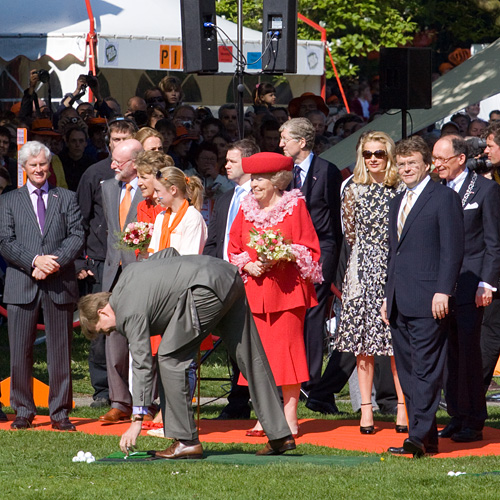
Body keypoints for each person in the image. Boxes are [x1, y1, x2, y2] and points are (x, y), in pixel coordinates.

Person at [78, 249, 296, 459]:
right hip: (228, 275)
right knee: (250, 356)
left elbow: (142, 364)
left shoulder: (126, 312)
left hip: (205, 288)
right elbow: (169, 254)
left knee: (169, 357)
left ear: (102, 311)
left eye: (106, 329)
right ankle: (280, 435)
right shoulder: (129, 274)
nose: (113, 332)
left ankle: (186, 442)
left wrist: (137, 421)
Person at [228, 152, 322, 437]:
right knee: (259, 357)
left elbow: (310, 249)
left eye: (259, 179)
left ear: (276, 180)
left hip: (288, 292)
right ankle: (264, 416)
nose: (253, 184)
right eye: (252, 178)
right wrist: (250, 263)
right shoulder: (246, 208)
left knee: (288, 355)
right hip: (255, 292)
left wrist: (283, 252)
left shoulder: (295, 207)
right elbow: (233, 248)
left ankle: (290, 416)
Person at [382, 136, 464, 457]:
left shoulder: (443, 198)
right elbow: (394, 254)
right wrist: (386, 298)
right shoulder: (395, 201)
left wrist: (443, 290)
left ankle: (415, 437)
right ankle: (427, 439)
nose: (405, 169)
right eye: (401, 164)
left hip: (431, 299)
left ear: (427, 166)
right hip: (399, 301)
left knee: (426, 370)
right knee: (407, 372)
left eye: (412, 163)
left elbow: (453, 250)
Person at [0, 141, 84, 431]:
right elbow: (4, 242)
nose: (39, 169)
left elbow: (76, 236)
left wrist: (53, 263)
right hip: (21, 282)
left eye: (43, 165)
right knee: (20, 350)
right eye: (33, 165)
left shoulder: (67, 198)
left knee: (60, 350)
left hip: (59, 282)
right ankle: (23, 410)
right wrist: (34, 261)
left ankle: (60, 412)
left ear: (50, 167)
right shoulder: (8, 200)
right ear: (23, 168)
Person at [332, 132, 407, 434]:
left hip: (395, 269)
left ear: (389, 156)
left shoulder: (401, 188)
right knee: (363, 345)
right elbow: (349, 234)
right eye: (367, 154)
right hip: (361, 271)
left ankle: (403, 407)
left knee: (396, 346)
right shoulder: (352, 189)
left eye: (379, 153)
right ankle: (366, 410)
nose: (373, 158)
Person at [433, 135, 500, 443]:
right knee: (449, 353)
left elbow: (493, 243)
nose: (436, 165)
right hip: (442, 285)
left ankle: (474, 418)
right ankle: (457, 415)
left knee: (470, 353)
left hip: (473, 284)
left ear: (460, 158)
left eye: (441, 159)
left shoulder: (486, 191)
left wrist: (487, 283)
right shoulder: (435, 191)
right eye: (434, 159)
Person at [76, 118, 137, 408]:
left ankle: (137, 394)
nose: (118, 143)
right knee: (105, 327)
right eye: (114, 139)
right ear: (107, 141)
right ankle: (104, 391)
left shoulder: (147, 179)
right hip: (102, 262)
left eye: (124, 138)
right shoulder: (96, 174)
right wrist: (80, 259)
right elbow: (80, 219)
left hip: (136, 263)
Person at [279, 117, 343, 392]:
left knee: (315, 312)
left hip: (319, 253)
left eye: (285, 138)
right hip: (288, 253)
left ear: (302, 142)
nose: (280, 143)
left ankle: (311, 381)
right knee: (292, 314)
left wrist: (328, 260)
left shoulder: (327, 171)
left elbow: (333, 220)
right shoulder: (283, 171)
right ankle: (290, 374)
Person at [203, 139, 260, 420]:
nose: (225, 165)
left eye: (232, 160)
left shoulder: (262, 196)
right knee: (232, 343)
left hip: (253, 278)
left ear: (248, 163)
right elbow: (214, 240)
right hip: (224, 279)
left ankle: (252, 399)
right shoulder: (225, 198)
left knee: (253, 343)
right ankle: (238, 401)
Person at [99, 138, 145, 422]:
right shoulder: (108, 188)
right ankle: (119, 401)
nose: (113, 164)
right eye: (112, 158)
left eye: (120, 161)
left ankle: (144, 400)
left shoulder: (152, 188)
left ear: (136, 163)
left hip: (140, 271)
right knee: (112, 336)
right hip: (112, 272)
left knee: (141, 337)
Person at [148, 166, 207, 255]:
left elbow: (189, 257)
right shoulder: (161, 216)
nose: (155, 196)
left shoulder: (192, 217)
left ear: (173, 190)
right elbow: (153, 253)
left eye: (157, 191)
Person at [135, 150, 172, 224]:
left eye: (144, 178)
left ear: (158, 178)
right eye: (138, 177)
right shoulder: (142, 206)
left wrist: (158, 200)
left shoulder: (171, 205)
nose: (138, 183)